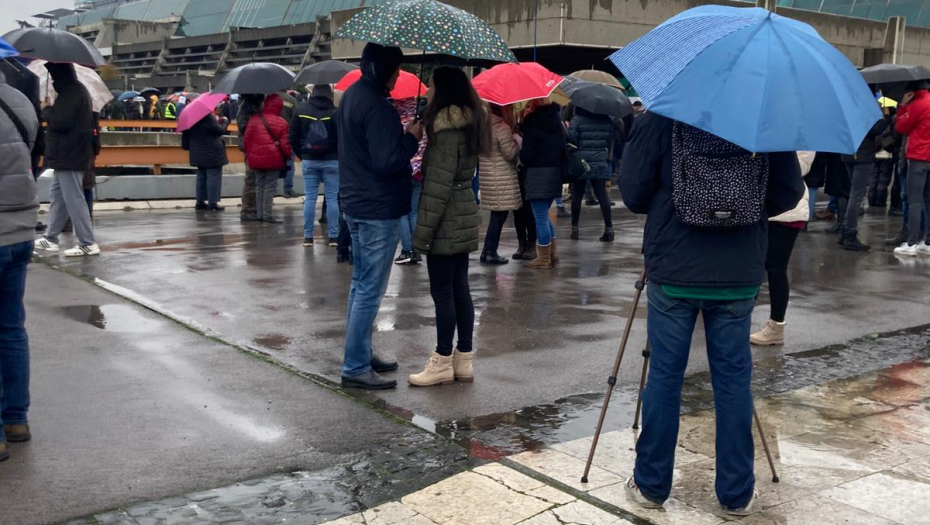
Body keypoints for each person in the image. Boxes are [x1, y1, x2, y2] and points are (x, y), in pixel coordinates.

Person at [619, 112, 804, 515]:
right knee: (734, 381)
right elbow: (788, 193)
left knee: (664, 377)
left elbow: (633, 193)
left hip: (674, 264)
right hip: (738, 268)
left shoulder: (663, 116)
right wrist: (742, 208)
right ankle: (737, 494)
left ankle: (650, 486)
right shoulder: (763, 117)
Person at [336, 43, 423, 390]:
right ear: (383, 70)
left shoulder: (352, 97)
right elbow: (388, 161)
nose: (398, 76)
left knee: (360, 285)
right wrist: (411, 138)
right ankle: (355, 366)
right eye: (396, 70)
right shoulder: (377, 107)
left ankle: (360, 352)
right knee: (370, 289)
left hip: (356, 203)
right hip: (377, 208)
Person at [409, 67, 487, 387]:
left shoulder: (445, 129)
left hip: (445, 217)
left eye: (430, 86)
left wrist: (421, 235)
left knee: (443, 292)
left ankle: (442, 359)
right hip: (463, 208)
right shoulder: (470, 123)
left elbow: (437, 187)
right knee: (459, 288)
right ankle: (463, 359)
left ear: (442, 91)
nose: (427, 91)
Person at [0, 77, 40, 462]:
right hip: (21, 228)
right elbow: (31, 152)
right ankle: (16, 420)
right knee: (12, 327)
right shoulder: (21, 101)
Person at [33, 63, 99, 257]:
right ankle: (50, 237)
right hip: (70, 153)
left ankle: (87, 242)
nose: (52, 80)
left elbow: (61, 121)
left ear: (59, 75)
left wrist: (46, 110)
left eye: (53, 75)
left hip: (69, 154)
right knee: (59, 196)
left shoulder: (71, 93)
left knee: (73, 198)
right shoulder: (75, 91)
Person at [751, 152, 814, 346]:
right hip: (764, 206)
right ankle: (741, 318)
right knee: (754, 264)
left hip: (788, 209)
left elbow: (800, 167)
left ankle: (776, 326)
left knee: (775, 267)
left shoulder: (797, 138)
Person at [291, 84, 339, 246]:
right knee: (332, 199)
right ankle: (333, 237)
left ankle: (308, 237)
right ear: (329, 95)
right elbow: (342, 137)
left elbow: (293, 137)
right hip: (332, 160)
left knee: (310, 198)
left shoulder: (300, 110)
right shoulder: (336, 112)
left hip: (309, 159)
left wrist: (302, 155)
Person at [520, 99, 565, 269]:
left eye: (529, 106)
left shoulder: (533, 126)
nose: (526, 110)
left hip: (537, 175)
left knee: (539, 218)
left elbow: (526, 156)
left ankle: (544, 258)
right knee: (543, 216)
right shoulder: (558, 124)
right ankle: (552, 254)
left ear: (535, 108)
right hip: (555, 173)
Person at [478, 103, 522, 265]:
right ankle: (490, 252)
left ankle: (486, 251)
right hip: (501, 176)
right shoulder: (502, 127)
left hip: (488, 176)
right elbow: (509, 154)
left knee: (496, 215)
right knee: (499, 216)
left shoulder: (483, 127)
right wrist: (517, 142)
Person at [838, 111, 886, 251]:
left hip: (848, 152)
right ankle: (850, 234)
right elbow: (876, 129)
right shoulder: (864, 110)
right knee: (856, 195)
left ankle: (845, 231)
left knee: (853, 193)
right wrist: (886, 117)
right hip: (863, 155)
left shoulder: (845, 108)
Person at [243, 94, 292, 224]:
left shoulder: (254, 119)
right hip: (274, 159)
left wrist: (251, 154)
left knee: (259, 186)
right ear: (279, 107)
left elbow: (247, 140)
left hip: (256, 159)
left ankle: (259, 214)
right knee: (270, 187)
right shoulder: (282, 122)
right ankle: (267, 214)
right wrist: (288, 156)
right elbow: (285, 144)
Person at [569, 107, 616, 242]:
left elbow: (572, 140)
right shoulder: (606, 121)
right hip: (600, 161)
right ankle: (609, 229)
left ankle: (575, 229)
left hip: (581, 162)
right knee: (602, 195)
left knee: (577, 195)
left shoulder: (577, 120)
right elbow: (610, 139)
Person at [894, 83, 930, 256]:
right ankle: (928, 242)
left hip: (918, 157)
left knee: (914, 201)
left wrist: (903, 106)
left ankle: (911, 243)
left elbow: (901, 127)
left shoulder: (918, 104)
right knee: (928, 201)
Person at [394, 97, 428, 265]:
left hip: (404, 170)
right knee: (413, 211)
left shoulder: (397, 119)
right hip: (419, 171)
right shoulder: (420, 120)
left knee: (401, 212)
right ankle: (416, 250)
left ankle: (406, 250)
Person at [182, 110, 229, 212]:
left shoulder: (190, 117)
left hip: (198, 152)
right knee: (213, 177)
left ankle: (200, 202)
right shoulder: (207, 117)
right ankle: (212, 203)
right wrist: (225, 121)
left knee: (201, 176)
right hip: (211, 152)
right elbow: (220, 130)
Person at [237, 94, 264, 222]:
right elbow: (244, 128)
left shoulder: (252, 105)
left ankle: (253, 208)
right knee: (251, 179)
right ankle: (248, 210)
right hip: (250, 146)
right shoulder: (247, 108)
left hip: (253, 145)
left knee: (254, 179)